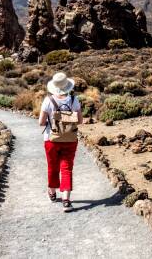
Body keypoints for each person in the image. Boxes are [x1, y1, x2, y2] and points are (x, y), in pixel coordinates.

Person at [39, 72, 83, 212]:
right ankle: (66, 200)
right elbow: (80, 120)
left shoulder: (48, 100)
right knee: (67, 168)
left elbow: (41, 122)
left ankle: (52, 193)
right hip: (70, 139)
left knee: (52, 166)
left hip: (51, 139)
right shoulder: (74, 100)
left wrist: (52, 120)